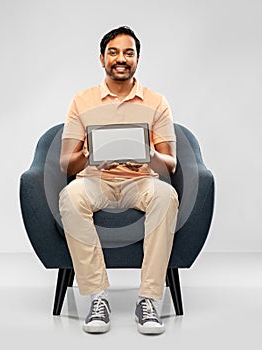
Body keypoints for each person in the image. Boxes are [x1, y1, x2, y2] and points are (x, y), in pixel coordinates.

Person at [59, 26, 179, 335]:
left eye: (128, 53)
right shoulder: (81, 101)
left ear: (138, 59)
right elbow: (65, 163)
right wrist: (91, 154)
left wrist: (147, 153)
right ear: (102, 59)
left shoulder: (156, 102)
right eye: (113, 52)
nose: (121, 59)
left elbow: (171, 164)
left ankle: (149, 300)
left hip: (140, 182)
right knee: (71, 197)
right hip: (95, 179)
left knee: (166, 197)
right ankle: (98, 297)